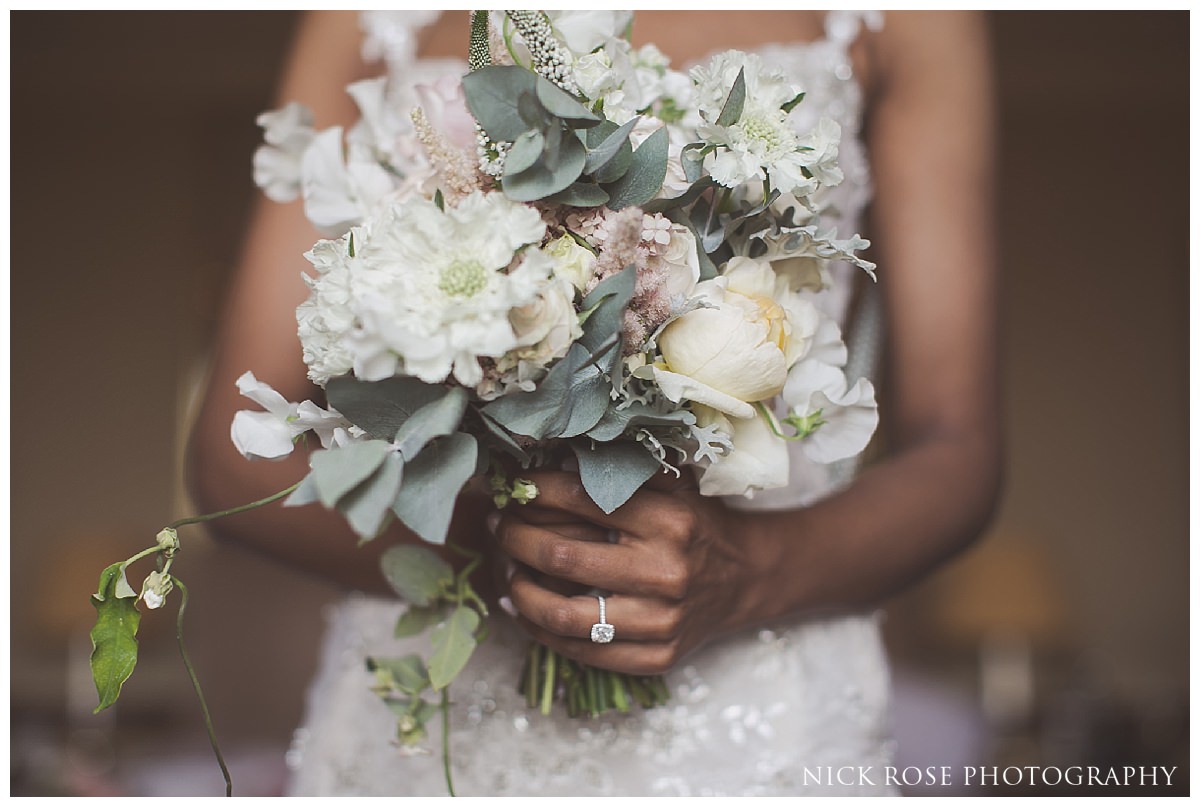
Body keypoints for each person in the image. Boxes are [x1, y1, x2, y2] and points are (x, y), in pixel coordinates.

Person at [188, 10, 1000, 796]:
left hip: (759, 712)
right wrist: (529, 557)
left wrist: (748, 571)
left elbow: (958, 449)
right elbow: (232, 462)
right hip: (433, 719)